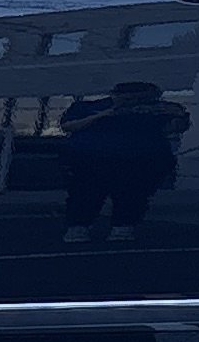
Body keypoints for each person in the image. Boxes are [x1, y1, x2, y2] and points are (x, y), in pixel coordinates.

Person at [56, 79, 186, 243]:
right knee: (86, 192)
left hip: (140, 159)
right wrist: (103, 115)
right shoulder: (90, 107)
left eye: (141, 98)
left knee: (133, 193)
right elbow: (68, 126)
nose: (134, 102)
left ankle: (123, 226)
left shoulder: (156, 110)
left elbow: (174, 129)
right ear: (115, 96)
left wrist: (178, 115)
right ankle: (78, 226)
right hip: (91, 158)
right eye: (129, 98)